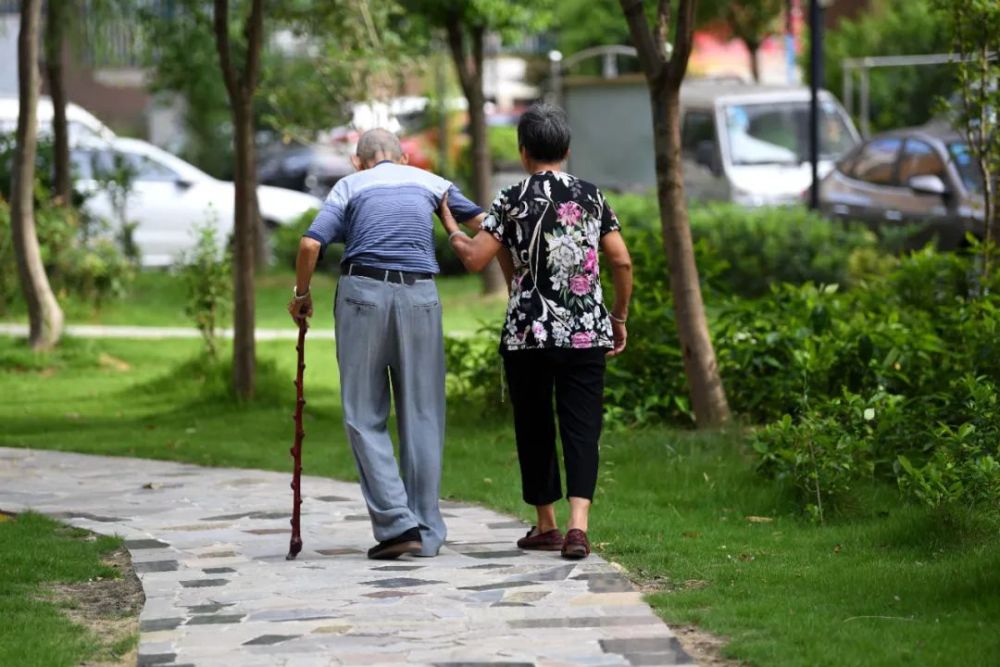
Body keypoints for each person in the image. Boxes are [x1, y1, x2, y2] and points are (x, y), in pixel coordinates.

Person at [438, 103, 633, 560]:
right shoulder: (591, 196)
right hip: (586, 331)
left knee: (534, 425)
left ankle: (546, 523)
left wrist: (450, 225)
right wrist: (617, 317)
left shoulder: (510, 198)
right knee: (582, 427)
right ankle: (578, 527)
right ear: (566, 150)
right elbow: (621, 260)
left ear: (524, 151)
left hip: (528, 332)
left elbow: (474, 258)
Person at [288, 128, 484, 560]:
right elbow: (488, 226)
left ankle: (397, 525)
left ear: (359, 161)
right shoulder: (433, 184)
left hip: (363, 296)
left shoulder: (349, 186)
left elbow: (309, 243)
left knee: (364, 412)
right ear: (404, 159)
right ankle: (426, 531)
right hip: (420, 298)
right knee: (424, 413)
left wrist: (302, 295)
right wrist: (455, 234)